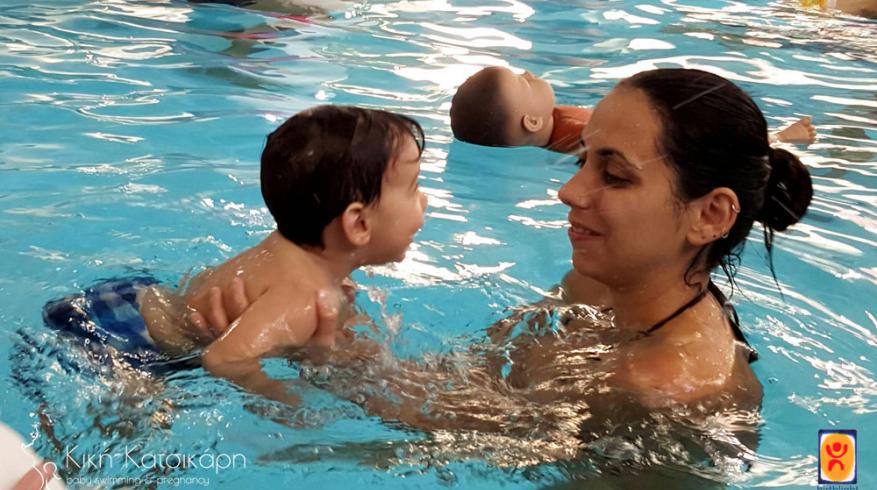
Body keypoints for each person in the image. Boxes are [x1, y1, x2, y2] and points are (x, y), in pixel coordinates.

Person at [192, 69, 813, 451]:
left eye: (614, 176)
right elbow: (469, 382)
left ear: (711, 214)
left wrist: (332, 369)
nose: (569, 193)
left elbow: (437, 454)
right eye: (581, 161)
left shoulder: (667, 391)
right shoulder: (600, 285)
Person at [43, 106, 428, 404]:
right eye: (413, 188)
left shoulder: (293, 254)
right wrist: (283, 399)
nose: (424, 200)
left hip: (133, 296)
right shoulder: (304, 296)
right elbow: (224, 359)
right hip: (124, 342)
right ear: (358, 224)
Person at [449, 66, 817, 156]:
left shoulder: (559, 127)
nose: (528, 73)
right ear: (532, 121)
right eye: (522, 81)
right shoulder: (580, 138)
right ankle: (781, 139)